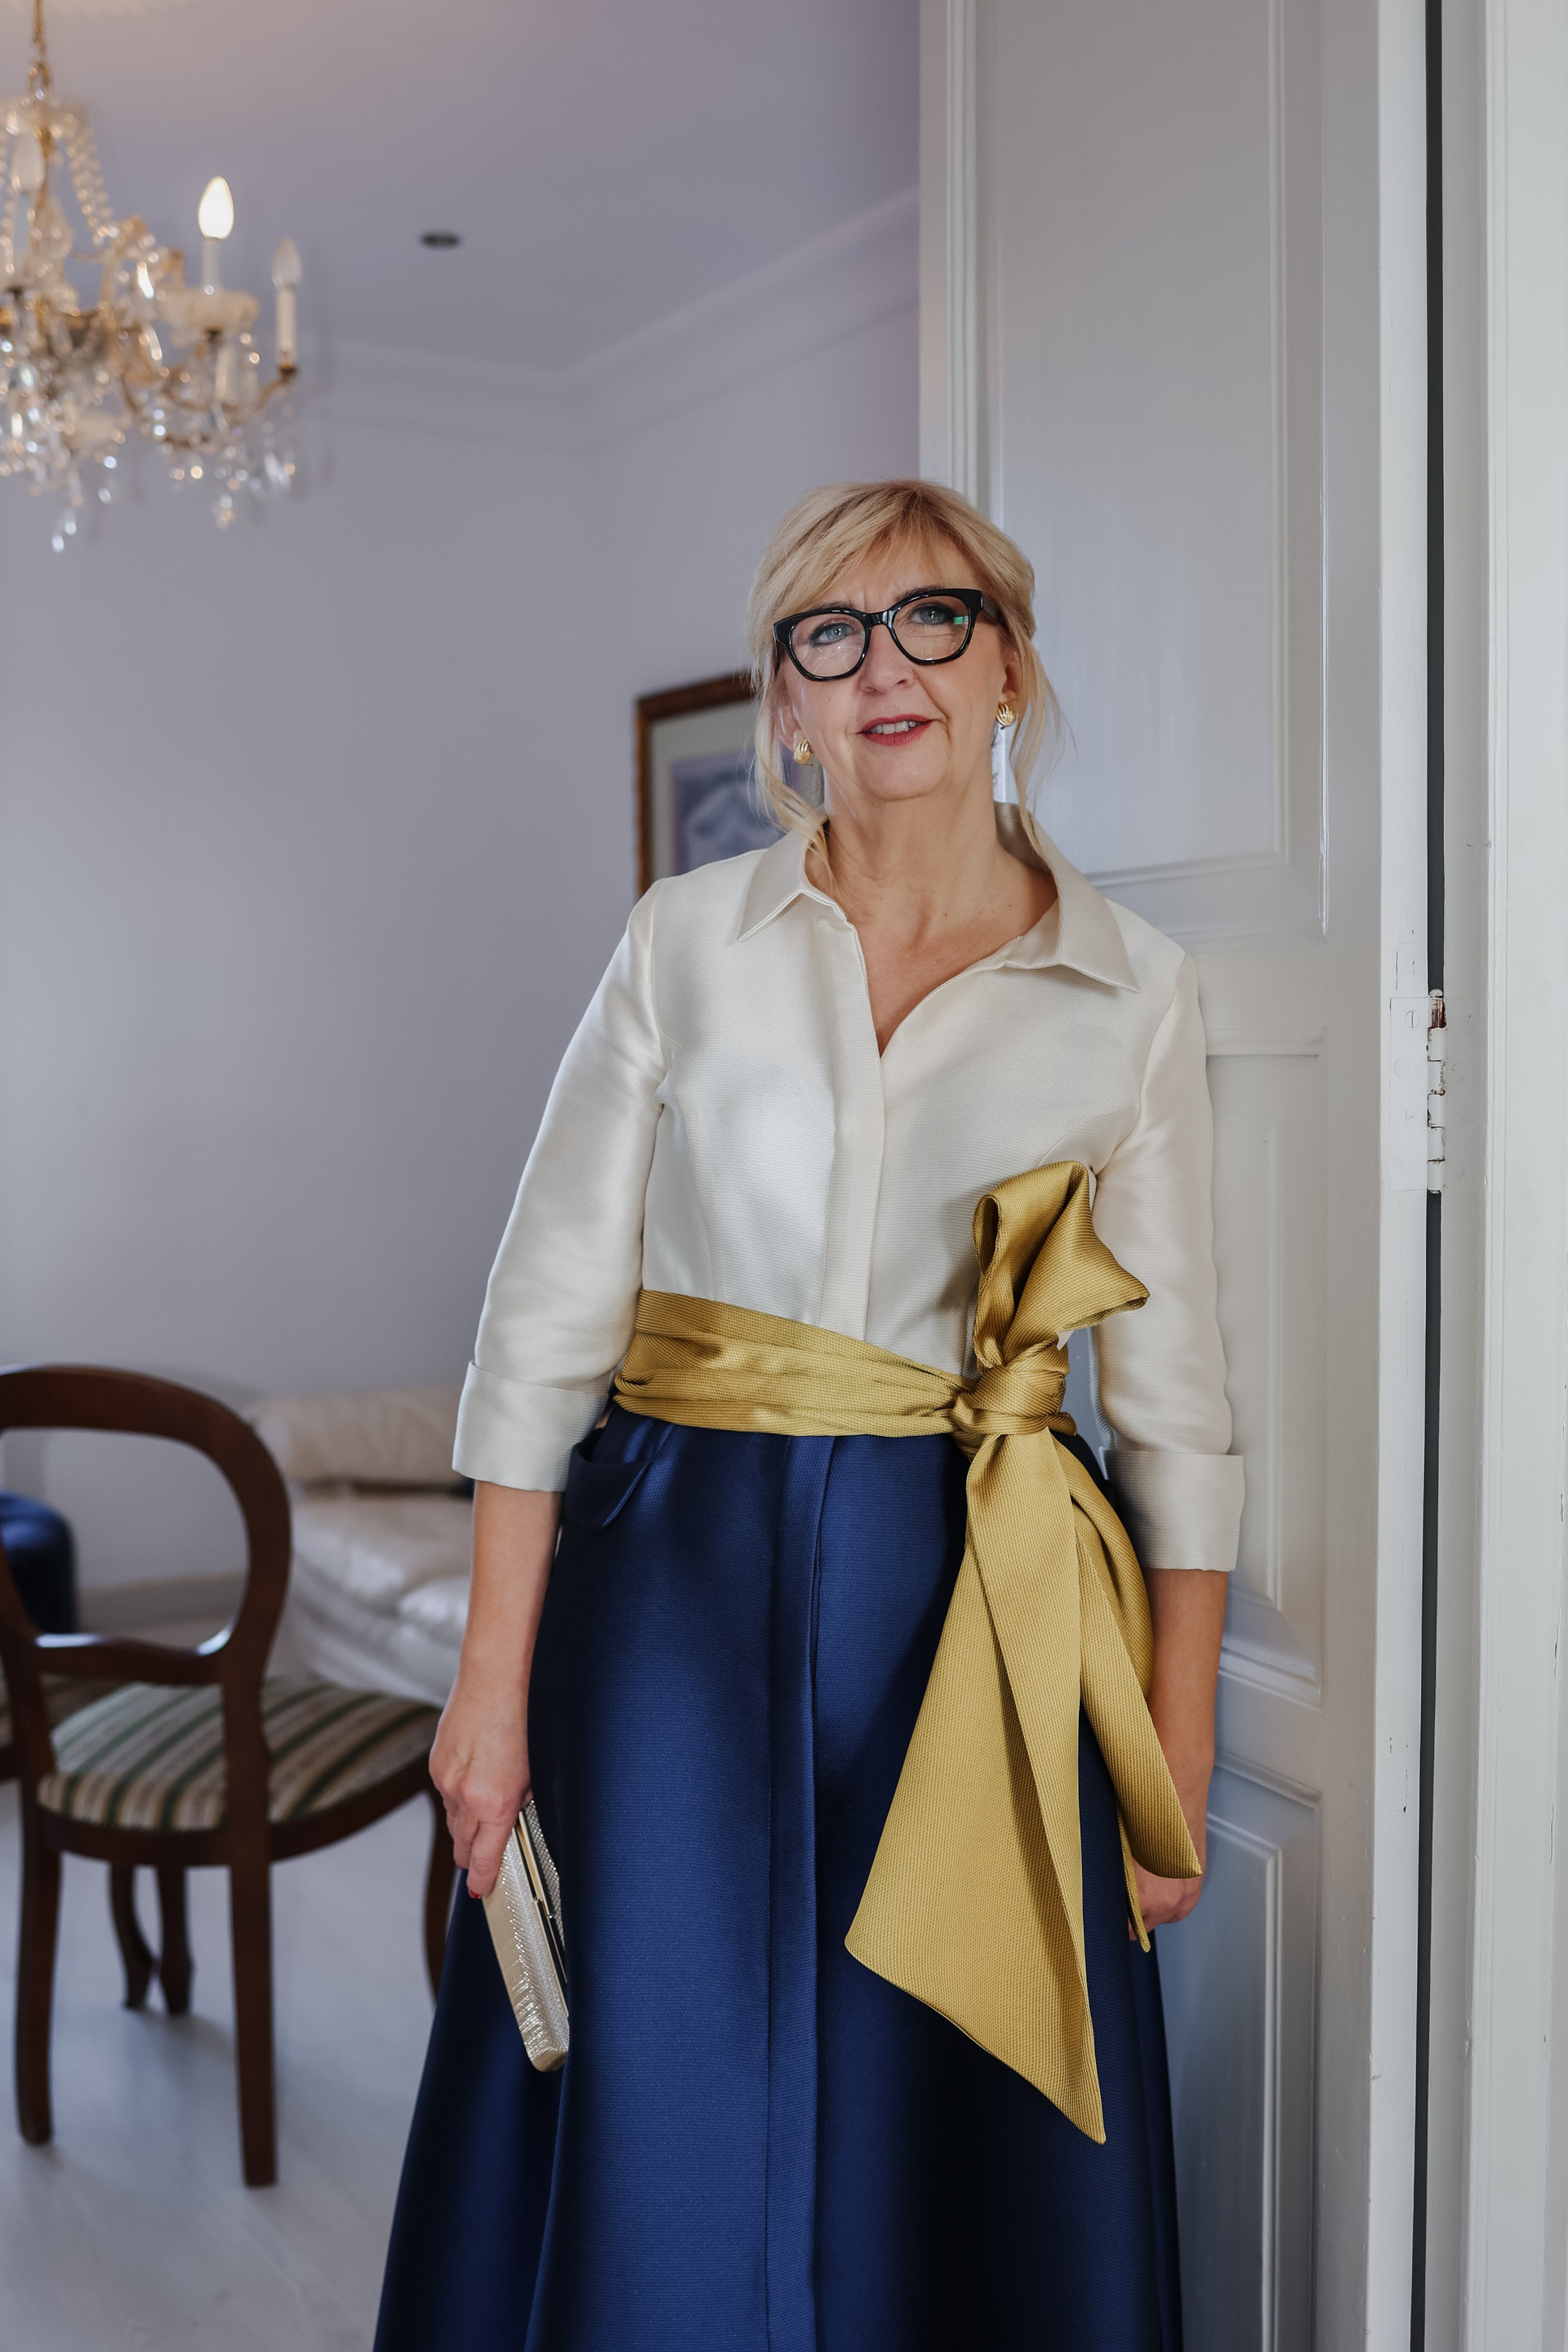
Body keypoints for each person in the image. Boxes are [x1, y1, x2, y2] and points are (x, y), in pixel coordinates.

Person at [374, 479, 1242, 2352]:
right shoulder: (680, 941)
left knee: (946, 2108)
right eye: (828, 635)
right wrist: (486, 1694)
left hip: (987, 1604)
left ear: (1009, 666)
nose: (884, 668)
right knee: (666, 2078)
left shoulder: (1133, 994)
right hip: (668, 1594)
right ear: (785, 698)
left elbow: (1176, 1409)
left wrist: (1169, 1756)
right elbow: (540, 1332)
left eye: (935, 618)